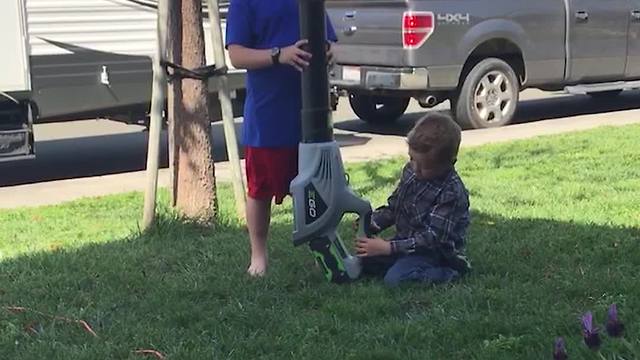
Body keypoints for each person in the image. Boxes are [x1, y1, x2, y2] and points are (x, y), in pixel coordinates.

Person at [226, 0, 337, 276]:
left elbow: (329, 40)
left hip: (311, 112)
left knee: (316, 186)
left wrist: (329, 51)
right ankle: (259, 256)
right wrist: (279, 55)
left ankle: (320, 252)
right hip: (268, 115)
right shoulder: (244, 3)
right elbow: (237, 56)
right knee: (260, 189)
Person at [355, 112, 472, 287]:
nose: (416, 169)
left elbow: (433, 239)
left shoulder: (451, 192)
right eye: (412, 159)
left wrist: (388, 248)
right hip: (404, 245)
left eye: (425, 167)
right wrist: (373, 222)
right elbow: (396, 207)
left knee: (396, 279)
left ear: (450, 162)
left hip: (435, 254)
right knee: (360, 261)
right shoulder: (410, 172)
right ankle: (393, 263)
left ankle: (449, 273)